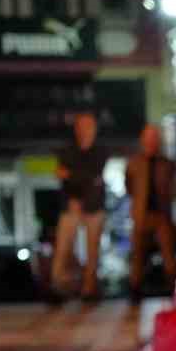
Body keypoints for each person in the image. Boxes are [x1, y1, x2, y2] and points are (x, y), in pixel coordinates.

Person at [51, 112, 110, 302]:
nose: (86, 130)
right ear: (76, 128)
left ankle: (89, 288)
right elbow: (63, 174)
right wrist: (85, 179)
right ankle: (58, 286)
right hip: (70, 206)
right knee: (63, 248)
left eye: (89, 126)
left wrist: (73, 175)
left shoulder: (101, 152)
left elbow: (93, 176)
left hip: (94, 206)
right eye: (82, 126)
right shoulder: (66, 151)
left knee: (93, 250)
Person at [125, 124, 176, 302]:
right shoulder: (134, 163)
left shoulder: (167, 163)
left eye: (154, 137)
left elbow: (174, 187)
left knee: (169, 255)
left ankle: (173, 288)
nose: (151, 141)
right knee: (138, 256)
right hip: (141, 214)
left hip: (162, 215)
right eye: (148, 137)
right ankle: (135, 290)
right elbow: (129, 187)